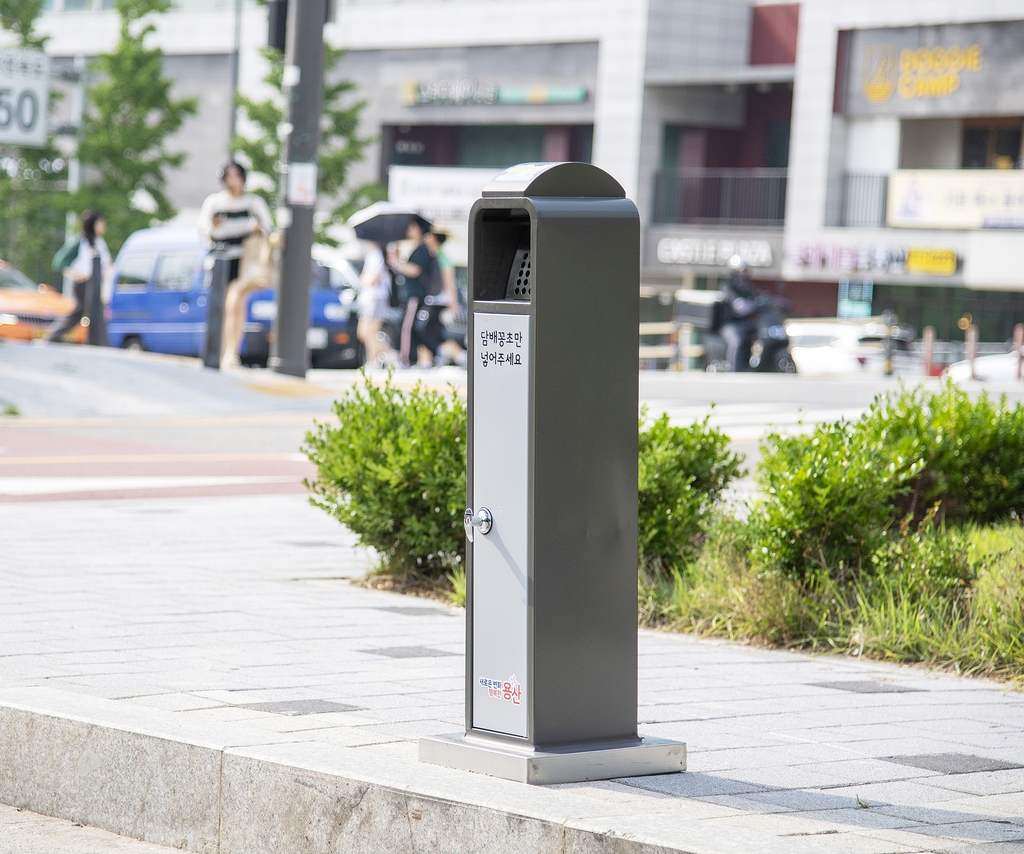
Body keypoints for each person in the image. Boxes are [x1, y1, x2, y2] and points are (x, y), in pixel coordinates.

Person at [198, 160, 273, 367]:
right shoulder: (214, 203)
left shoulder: (253, 203)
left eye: (236, 177)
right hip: (221, 259)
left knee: (235, 303)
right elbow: (206, 232)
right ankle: (221, 351)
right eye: (228, 177)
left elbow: (268, 227)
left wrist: (255, 228)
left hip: (245, 260)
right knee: (222, 307)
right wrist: (215, 226)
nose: (232, 182)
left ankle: (231, 353)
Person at [45, 210, 112, 344]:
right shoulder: (81, 242)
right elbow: (59, 261)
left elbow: (107, 263)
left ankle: (54, 336)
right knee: (86, 311)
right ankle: (99, 342)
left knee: (87, 312)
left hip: (96, 283)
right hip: (84, 283)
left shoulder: (99, 242)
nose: (103, 226)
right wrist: (73, 275)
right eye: (101, 222)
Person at [388, 218, 437, 368]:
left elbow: (415, 270)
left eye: (412, 227)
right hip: (410, 295)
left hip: (415, 296)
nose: (408, 230)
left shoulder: (423, 249)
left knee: (407, 327)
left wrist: (396, 262)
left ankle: (406, 359)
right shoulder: (416, 248)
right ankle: (413, 357)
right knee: (412, 327)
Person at [422, 228, 466, 366]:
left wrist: (453, 303)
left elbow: (449, 280)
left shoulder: (442, 256)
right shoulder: (435, 255)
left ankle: (459, 356)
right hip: (436, 301)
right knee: (435, 332)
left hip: (441, 301)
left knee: (430, 332)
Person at [356, 240, 392, 368]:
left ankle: (373, 361)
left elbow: (372, 279)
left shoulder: (378, 255)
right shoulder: (372, 254)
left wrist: (365, 280)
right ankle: (389, 353)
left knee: (371, 332)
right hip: (368, 298)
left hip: (376, 297)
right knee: (363, 333)